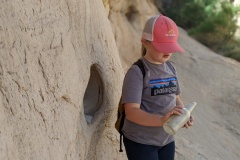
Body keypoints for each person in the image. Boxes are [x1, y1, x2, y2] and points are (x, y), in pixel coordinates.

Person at [121, 14, 194, 160]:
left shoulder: (171, 68)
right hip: (141, 141)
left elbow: (176, 98)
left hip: (166, 140)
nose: (168, 51)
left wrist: (183, 113)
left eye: (170, 46)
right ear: (145, 42)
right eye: (163, 46)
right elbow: (131, 112)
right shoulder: (138, 72)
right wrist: (161, 120)